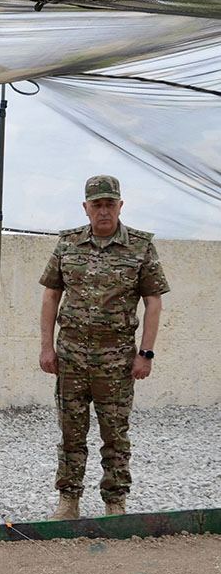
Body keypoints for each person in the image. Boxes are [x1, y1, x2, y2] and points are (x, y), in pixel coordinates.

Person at [39, 175, 169, 520]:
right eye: (97, 205)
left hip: (116, 360)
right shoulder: (68, 244)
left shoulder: (140, 247)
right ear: (86, 208)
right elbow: (51, 295)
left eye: (110, 204)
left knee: (115, 434)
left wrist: (146, 353)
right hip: (71, 356)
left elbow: (153, 302)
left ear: (120, 206)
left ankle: (115, 501)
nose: (104, 211)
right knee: (71, 432)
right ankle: (69, 500)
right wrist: (46, 348)